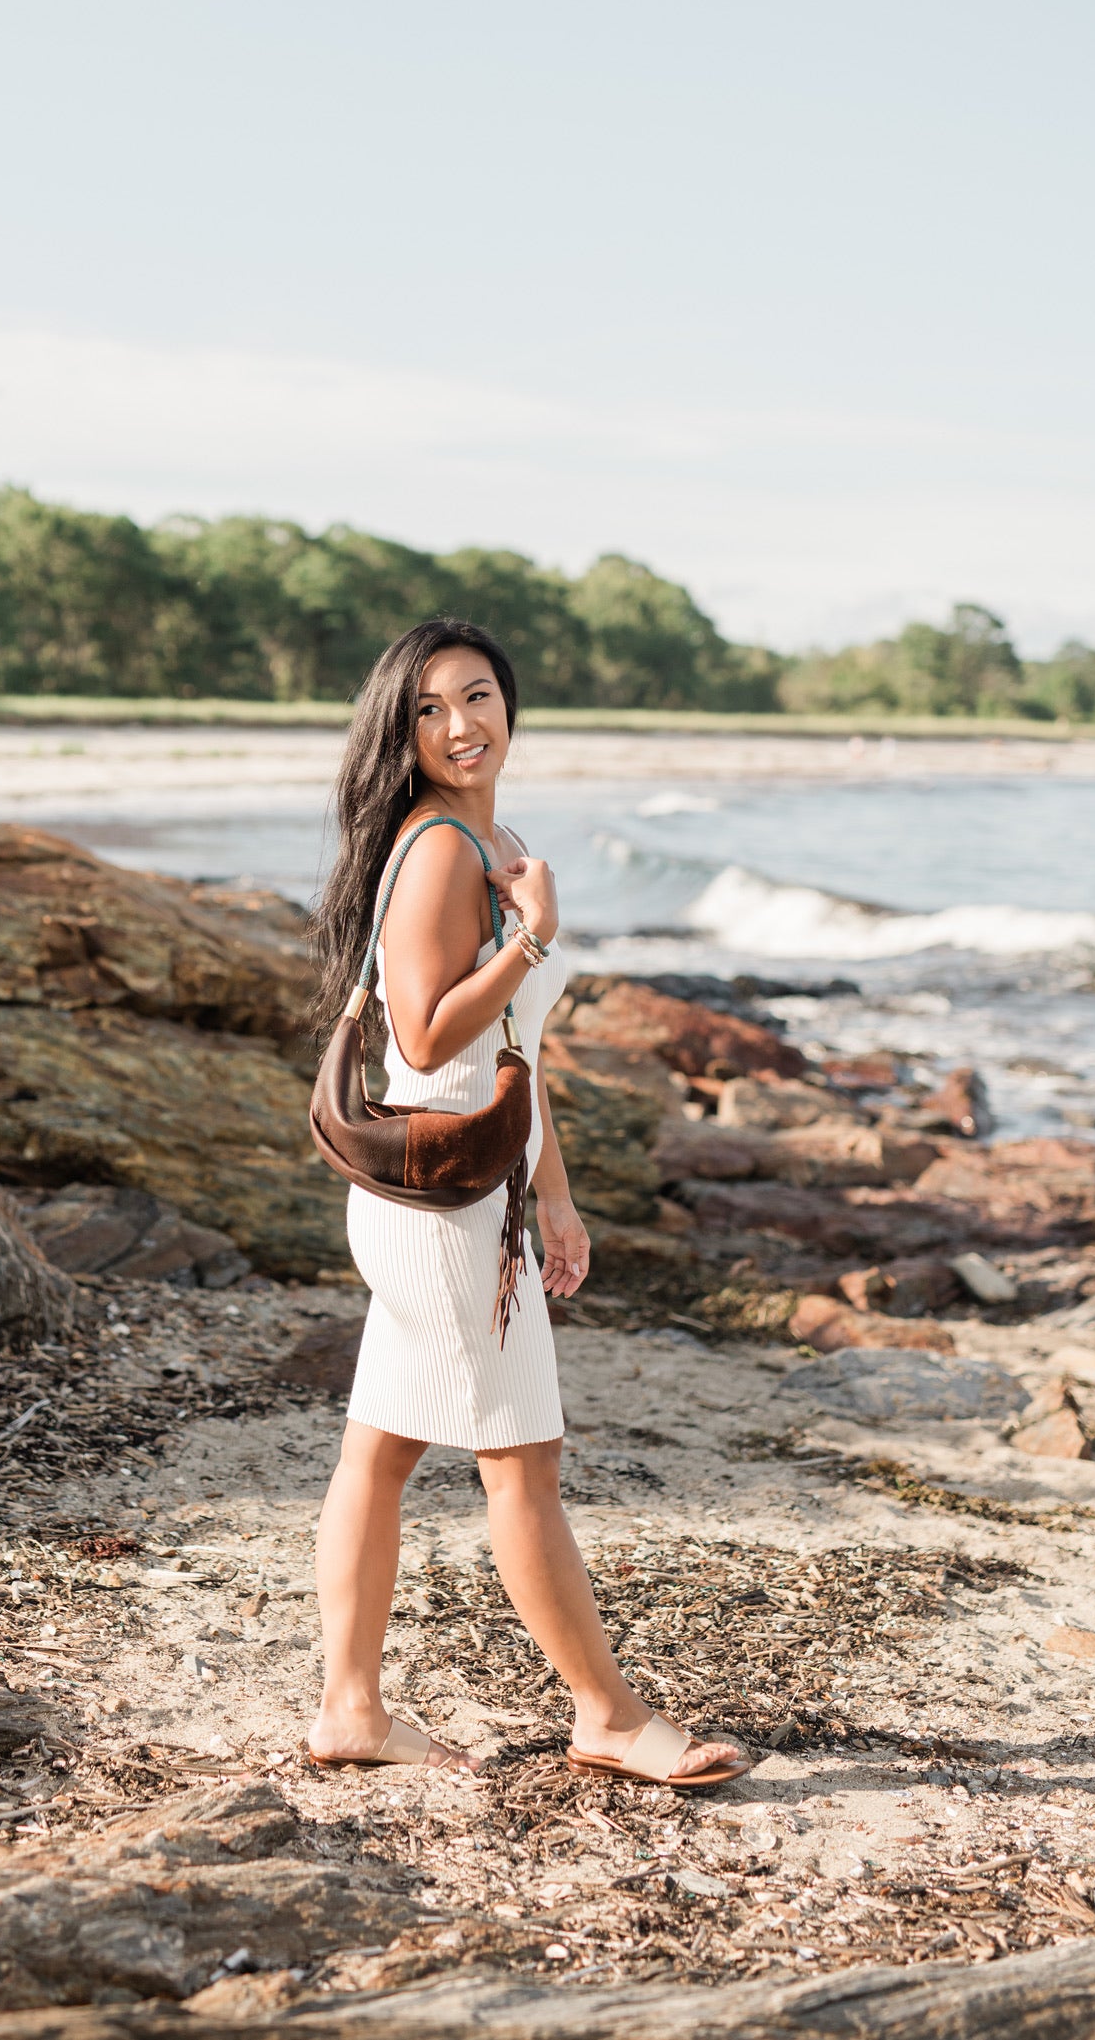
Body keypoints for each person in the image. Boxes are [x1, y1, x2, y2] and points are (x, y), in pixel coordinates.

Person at [304, 619, 750, 1789]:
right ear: (401, 731)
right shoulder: (443, 847)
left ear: (511, 705)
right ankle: (604, 1711)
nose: (461, 724)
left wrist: (553, 1193)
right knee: (522, 1464)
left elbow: (518, 1052)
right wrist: (533, 935)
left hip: (462, 1194)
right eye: (430, 708)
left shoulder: (491, 838)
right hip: (441, 1209)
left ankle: (352, 1707)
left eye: (479, 695)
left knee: (380, 1451)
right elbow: (424, 1032)